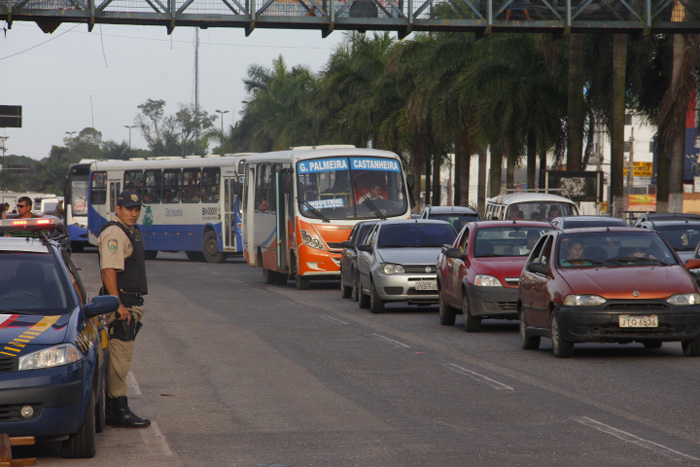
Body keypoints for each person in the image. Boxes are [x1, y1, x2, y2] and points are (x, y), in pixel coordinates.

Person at [98, 190, 151, 429]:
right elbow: (109, 270)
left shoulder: (131, 231)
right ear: (117, 209)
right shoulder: (114, 232)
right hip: (123, 305)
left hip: (130, 303)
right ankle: (117, 410)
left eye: (137, 209)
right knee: (119, 358)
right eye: (129, 209)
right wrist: (117, 305)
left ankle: (114, 407)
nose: (134, 213)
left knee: (121, 357)